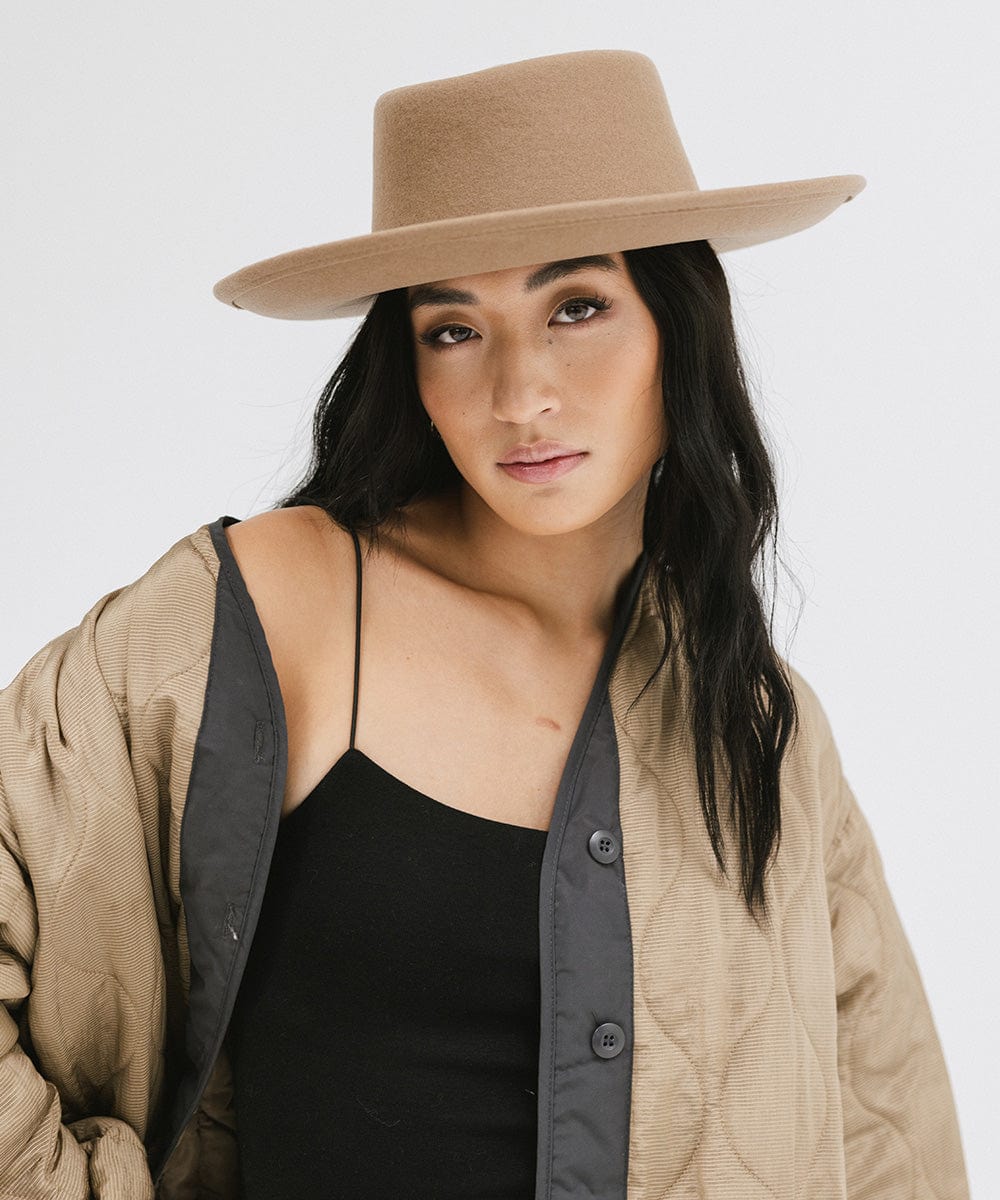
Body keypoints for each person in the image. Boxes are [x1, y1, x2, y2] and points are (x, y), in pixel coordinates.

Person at [0, 48, 970, 1200]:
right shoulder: (282, 605)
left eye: (576, 307)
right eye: (452, 328)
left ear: (679, 322)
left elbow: (887, 1137)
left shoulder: (754, 718)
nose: (520, 395)